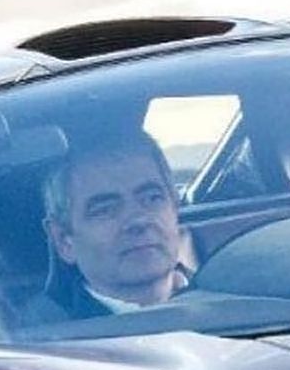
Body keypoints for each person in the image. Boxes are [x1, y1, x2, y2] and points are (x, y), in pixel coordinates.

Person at [34, 131, 193, 320]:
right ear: (64, 240)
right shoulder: (41, 332)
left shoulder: (221, 289)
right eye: (105, 210)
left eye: (152, 198)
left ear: (175, 209)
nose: (138, 221)